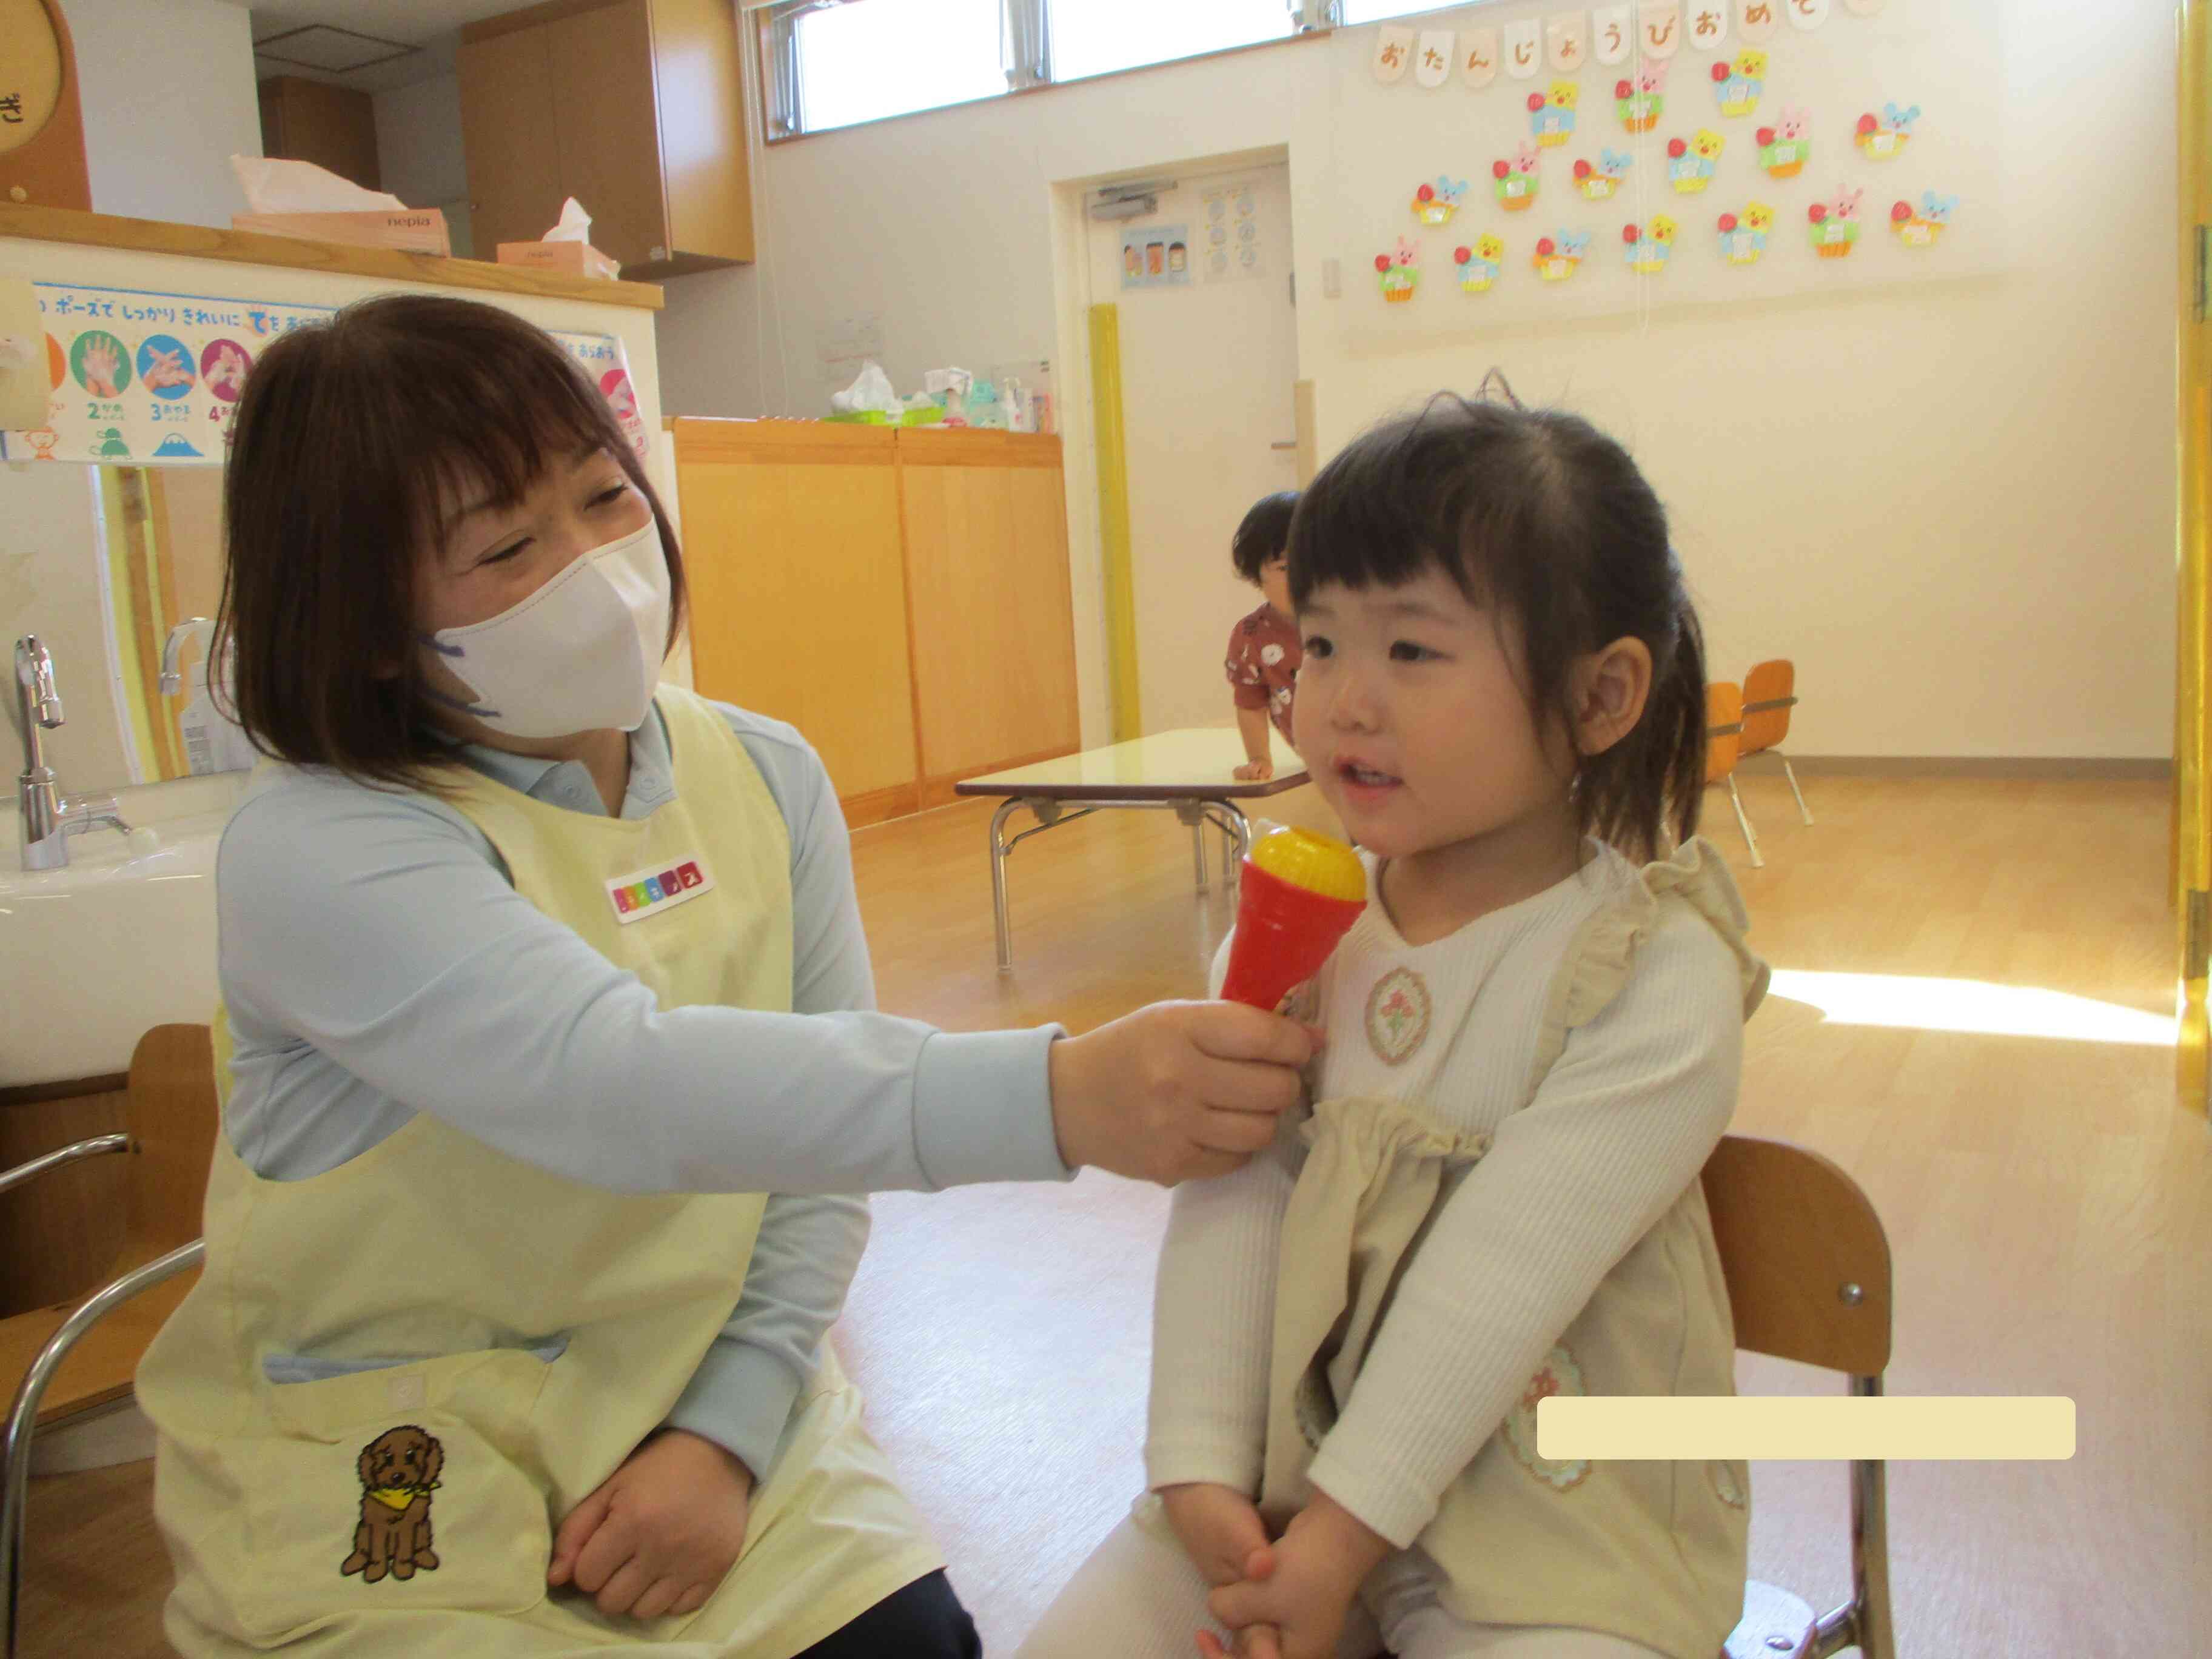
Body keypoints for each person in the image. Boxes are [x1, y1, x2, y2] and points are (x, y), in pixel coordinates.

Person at [132, 294, 1316, 1659]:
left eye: (602, 497)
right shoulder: (322, 845)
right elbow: (614, 1085)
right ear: (369, 624)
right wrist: (1059, 1097)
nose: (597, 566)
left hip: (706, 1399)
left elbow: (810, 1169)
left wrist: (729, 1431)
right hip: (400, 1443)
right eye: (511, 547)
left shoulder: (757, 769)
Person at [1016, 391, 1769, 1659]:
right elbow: (1234, 1188)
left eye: (1410, 652)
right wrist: (1200, 1471)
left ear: (1601, 698)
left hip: (1558, 1511)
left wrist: (1340, 1547)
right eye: (1318, 645)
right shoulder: (1299, 934)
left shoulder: (1655, 972)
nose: (1342, 703)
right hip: (1294, 1473)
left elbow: (1500, 1279)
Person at [1225, 491, 1301, 782]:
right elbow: (1250, 701)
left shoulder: (1352, 621)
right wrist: (1259, 758)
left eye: (1313, 561)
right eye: (1284, 568)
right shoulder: (1251, 636)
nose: (1302, 576)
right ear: (1257, 575)